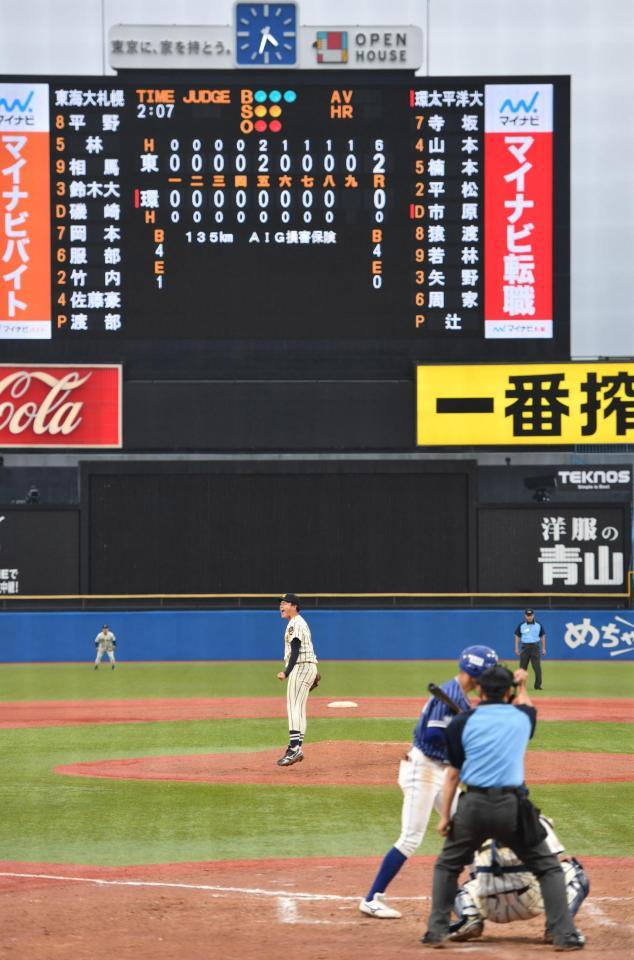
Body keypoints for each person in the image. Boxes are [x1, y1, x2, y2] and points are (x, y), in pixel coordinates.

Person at [421, 664, 585, 951]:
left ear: (480, 690)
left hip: (472, 806)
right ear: (508, 691)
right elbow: (527, 707)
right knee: (548, 868)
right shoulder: (523, 717)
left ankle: (436, 932)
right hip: (512, 809)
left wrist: (445, 817)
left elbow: (452, 775)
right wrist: (521, 687)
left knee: (447, 865)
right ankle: (563, 934)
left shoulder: (461, 723)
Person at [359, 645, 498, 920]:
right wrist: (462, 730)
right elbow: (434, 734)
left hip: (440, 773)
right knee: (411, 838)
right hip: (421, 771)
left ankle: (477, 889)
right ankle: (373, 898)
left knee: (466, 825)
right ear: (477, 673)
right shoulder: (452, 695)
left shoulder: (459, 696)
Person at [448, 815, 589, 943]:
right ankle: (558, 927)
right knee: (574, 871)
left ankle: (470, 917)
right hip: (530, 901)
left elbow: (474, 875)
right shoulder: (533, 819)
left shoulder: (469, 826)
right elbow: (552, 869)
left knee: (457, 887)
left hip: (490, 909)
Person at [276, 593, 318, 767]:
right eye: (280, 604)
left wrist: (286, 672)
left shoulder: (295, 623)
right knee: (299, 708)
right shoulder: (300, 622)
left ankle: (294, 749)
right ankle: (296, 746)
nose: (281, 606)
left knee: (293, 707)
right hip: (308, 667)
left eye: (284, 603)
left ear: (294, 605)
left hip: (300, 667)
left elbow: (295, 650)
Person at [515, 608, 546, 690]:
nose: (529, 617)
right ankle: (521, 685)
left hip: (535, 647)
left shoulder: (538, 625)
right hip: (525, 647)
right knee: (522, 668)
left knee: (537, 668)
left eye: (531, 615)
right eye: (528, 615)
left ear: (533, 615)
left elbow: (542, 636)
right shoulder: (522, 625)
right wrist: (516, 648)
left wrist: (543, 648)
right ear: (525, 615)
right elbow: (517, 636)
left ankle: (538, 686)